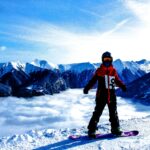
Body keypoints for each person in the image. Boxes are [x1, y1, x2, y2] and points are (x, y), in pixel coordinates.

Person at [83, 51, 127, 138]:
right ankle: (91, 130)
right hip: (101, 95)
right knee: (97, 113)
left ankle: (115, 128)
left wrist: (122, 86)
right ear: (102, 60)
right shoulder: (99, 71)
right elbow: (93, 80)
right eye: (105, 59)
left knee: (113, 113)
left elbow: (117, 80)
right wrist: (87, 88)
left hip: (112, 95)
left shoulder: (113, 71)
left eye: (108, 59)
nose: (107, 61)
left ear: (111, 60)